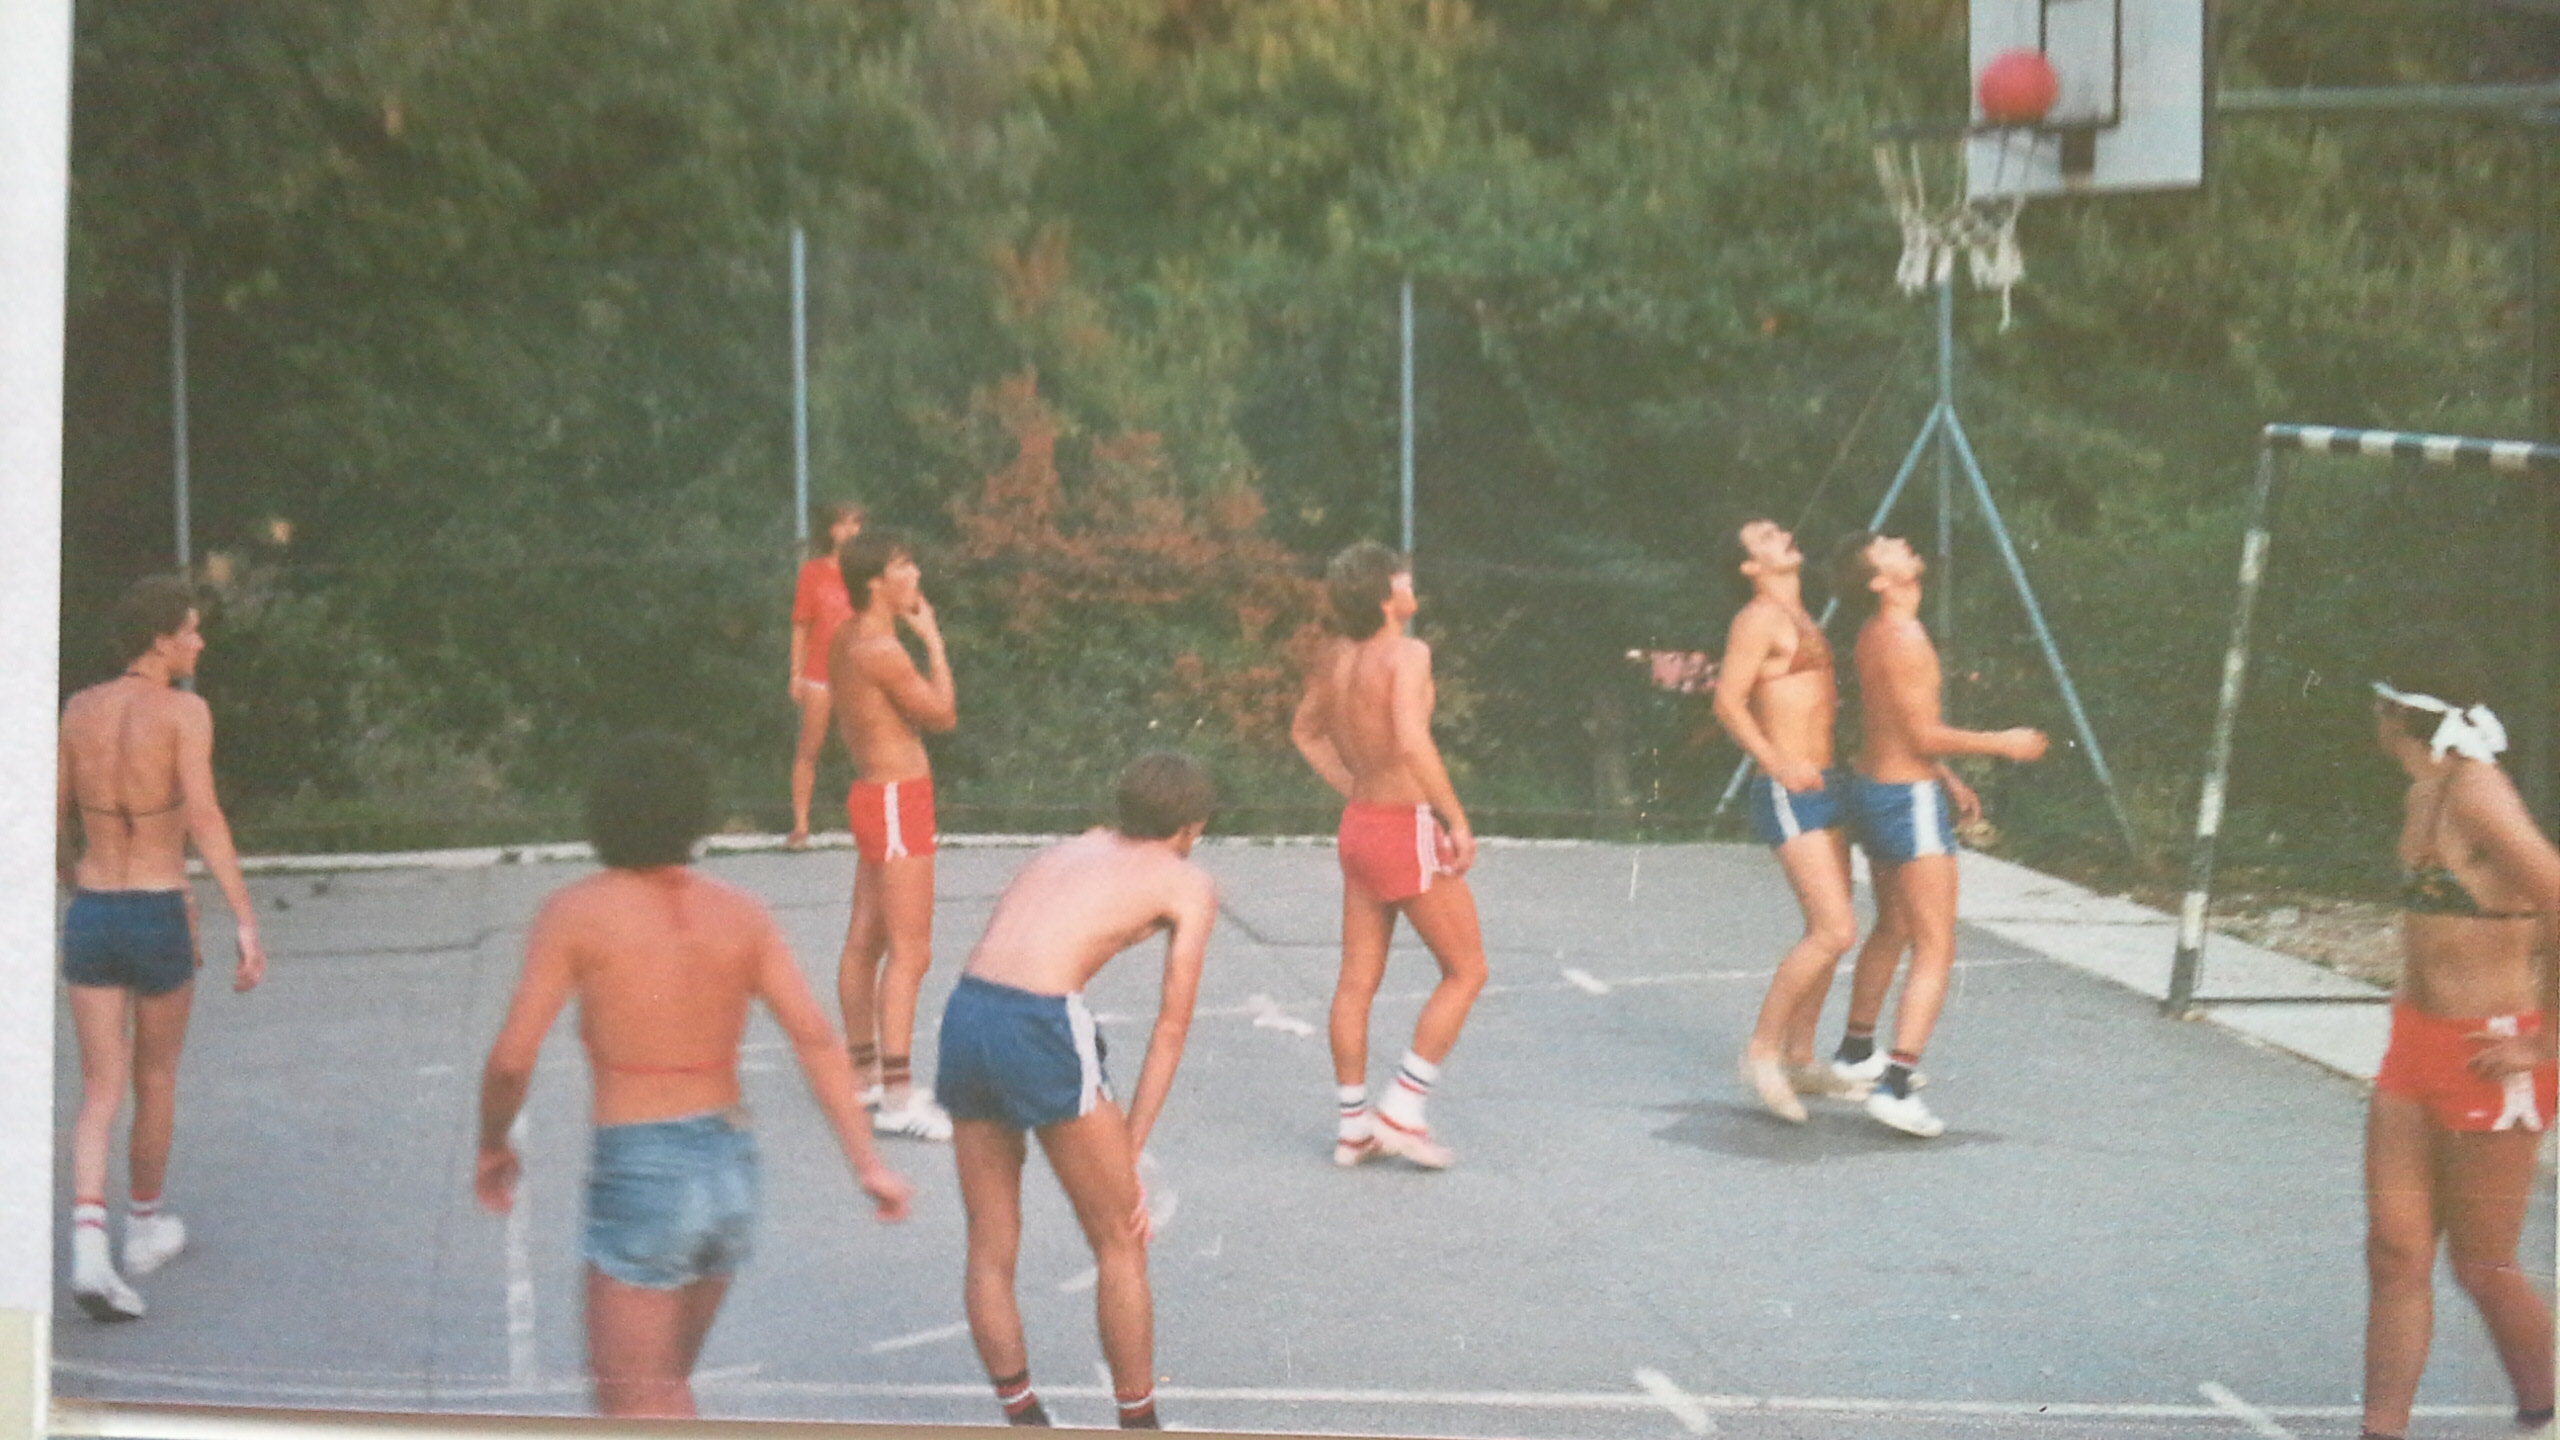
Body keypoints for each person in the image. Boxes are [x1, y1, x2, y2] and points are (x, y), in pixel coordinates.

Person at [475, 732, 912, 1420]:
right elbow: (816, 1039)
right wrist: (868, 1163)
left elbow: (510, 1060)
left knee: (634, 1404)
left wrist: (493, 1144)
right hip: (731, 1168)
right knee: (665, 1385)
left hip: (645, 1167)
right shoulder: (741, 913)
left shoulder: (576, 913)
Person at [939, 753, 1218, 1430]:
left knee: (990, 1240)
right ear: (1192, 826)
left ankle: (1024, 1417)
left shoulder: (1078, 844)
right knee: (1120, 1238)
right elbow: (1171, 1028)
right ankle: (1139, 1424)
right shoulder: (1186, 881)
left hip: (967, 1011)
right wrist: (1130, 1150)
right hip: (1039, 1020)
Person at [55, 575, 266, 1321]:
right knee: (156, 1078)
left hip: (92, 910)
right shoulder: (184, 711)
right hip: (156, 911)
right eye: (190, 631)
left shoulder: (78, 709)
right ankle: (142, 1232)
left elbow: (53, 817)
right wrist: (244, 918)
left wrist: (73, 883)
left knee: (99, 1090)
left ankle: (88, 1250)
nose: (199, 643)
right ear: (159, 640)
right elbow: (204, 817)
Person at [2358, 650, 2555, 1440]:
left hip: (2489, 1054)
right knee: (2394, 1252)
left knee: (2482, 1265)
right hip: (2414, 1045)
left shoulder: (2478, 793)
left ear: (2395, 713)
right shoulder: (2425, 791)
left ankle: (2543, 1411)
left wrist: (2550, 1041)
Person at [1824, 531, 2044, 1138]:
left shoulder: (1875, 632)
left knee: (1895, 925)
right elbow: (1921, 733)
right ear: (1879, 580)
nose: (1900, 541)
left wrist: (1943, 772)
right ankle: (1895, 1086)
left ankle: (1856, 1052)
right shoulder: (1905, 636)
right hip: (1906, 800)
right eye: (1886, 546)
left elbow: (1892, 723)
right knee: (1935, 945)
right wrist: (2004, 742)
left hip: (1876, 788)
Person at [1291, 543, 1488, 1169]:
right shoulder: (1408, 653)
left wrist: (1355, 786)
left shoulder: (1336, 657)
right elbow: (1410, 738)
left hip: (1360, 826)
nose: (1410, 582)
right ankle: (1403, 1110)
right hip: (1403, 827)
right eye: (1402, 577)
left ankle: (1353, 1129)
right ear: (1385, 596)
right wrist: (1455, 819)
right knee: (1467, 971)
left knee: (1356, 982)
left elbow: (1304, 732)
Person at [1709, 519, 1862, 1122]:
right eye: (1765, 537)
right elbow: (1727, 702)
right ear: (1750, 567)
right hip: (1787, 789)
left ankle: (1800, 1057)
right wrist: (1778, 764)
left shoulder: (1801, 616)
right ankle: (1761, 1054)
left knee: (1832, 928)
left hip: (1826, 784)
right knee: (1833, 930)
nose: (1783, 535)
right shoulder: (1757, 619)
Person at [829, 529, 959, 1140]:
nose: (917, 574)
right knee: (911, 951)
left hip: (874, 795)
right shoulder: (882, 649)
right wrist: (933, 641)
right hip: (896, 800)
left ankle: (865, 1077)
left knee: (866, 939)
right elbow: (942, 715)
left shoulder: (845, 636)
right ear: (876, 582)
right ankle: (900, 1099)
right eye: (905, 565)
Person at [787, 502, 866, 848]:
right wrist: (795, 674)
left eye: (856, 524)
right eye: (844, 524)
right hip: (818, 673)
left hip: (857, 673)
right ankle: (800, 825)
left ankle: (869, 825)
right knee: (809, 747)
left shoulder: (865, 572)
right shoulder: (813, 572)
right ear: (831, 530)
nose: (851, 531)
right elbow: (801, 626)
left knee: (867, 749)